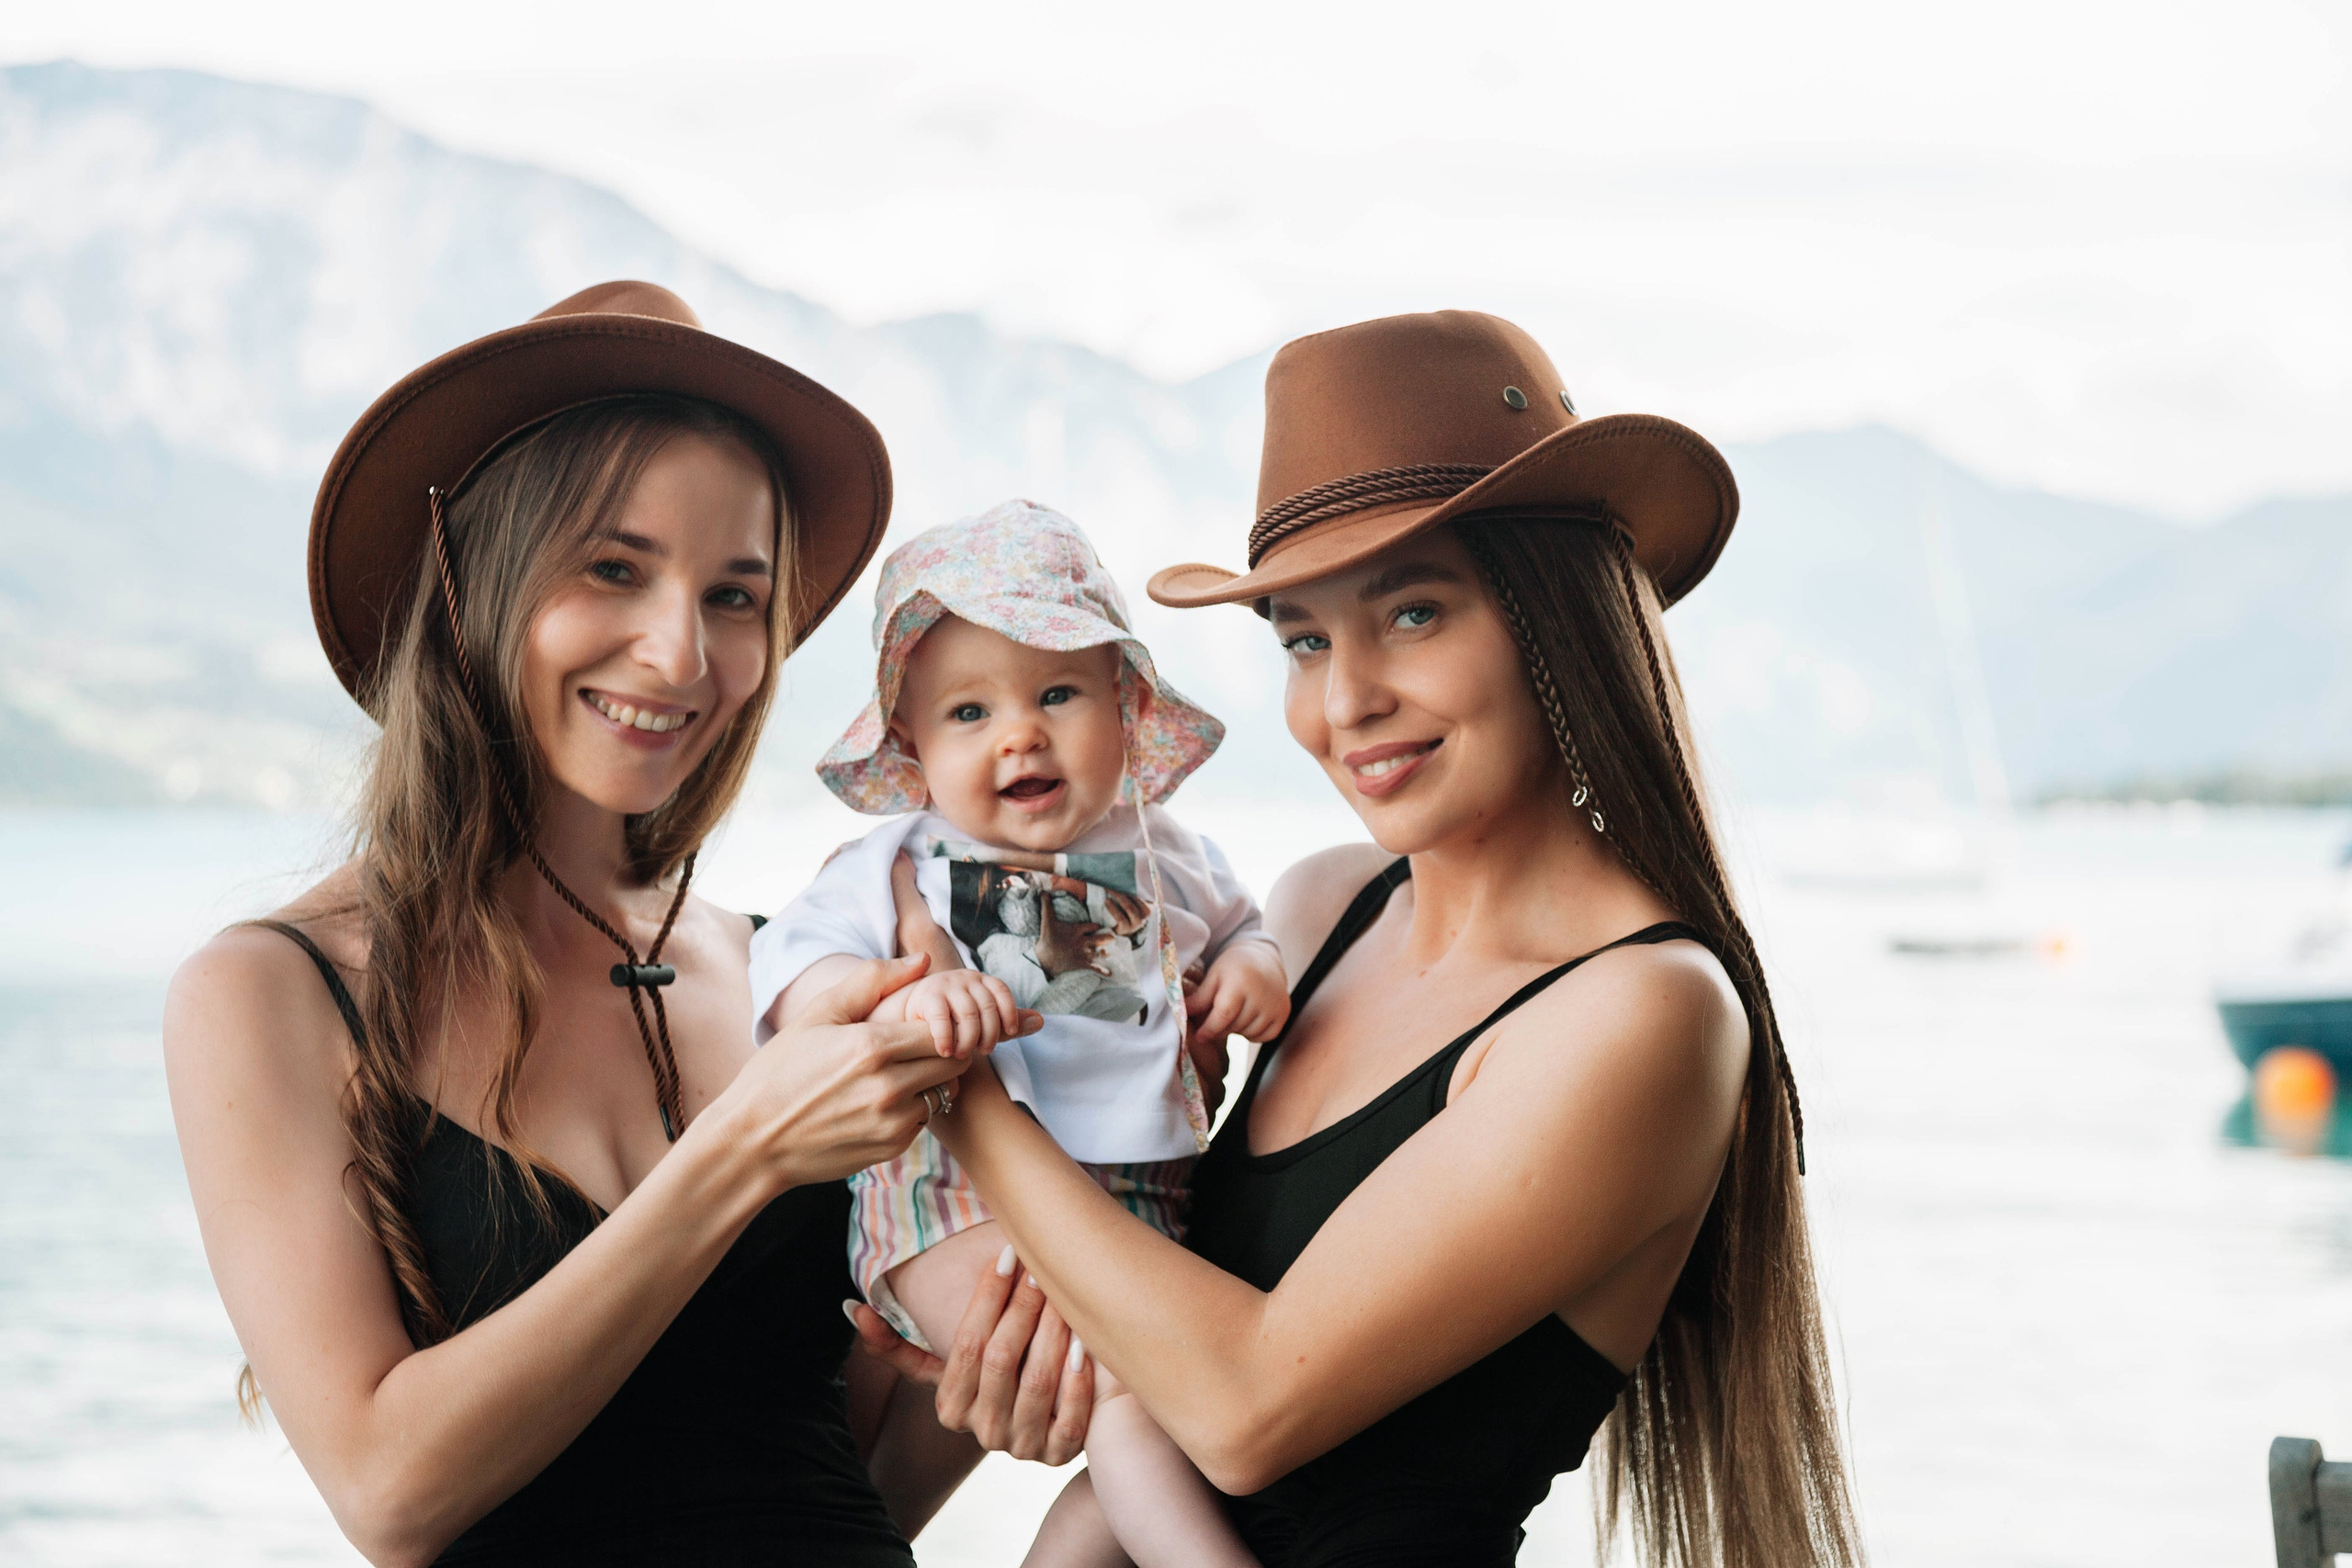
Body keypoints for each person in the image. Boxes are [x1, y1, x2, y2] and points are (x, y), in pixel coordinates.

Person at [864, 311, 1864, 1568]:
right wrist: (991, 1335)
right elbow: (1062, 1112)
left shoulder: (1649, 1011)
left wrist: (947, 1086)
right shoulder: (1321, 903)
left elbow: (1241, 1408)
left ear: (1558, 619)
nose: (1345, 703)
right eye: (1304, 639)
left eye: (1413, 613)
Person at [162, 282, 1014, 1567]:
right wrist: (745, 1148)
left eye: (736, 596)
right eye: (614, 568)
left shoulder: (791, 968)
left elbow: (829, 1481)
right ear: (473, 584)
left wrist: (996, 1369)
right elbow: (391, 1491)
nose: (680, 653)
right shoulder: (273, 991)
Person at [754, 500, 1291, 1567]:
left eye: (1056, 694)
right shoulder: (901, 864)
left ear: (1124, 705)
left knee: (1163, 1416)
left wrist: (1249, 976)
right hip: (951, 1216)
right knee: (1142, 1394)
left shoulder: (1166, 849)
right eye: (968, 713)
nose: (1019, 733)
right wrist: (891, 992)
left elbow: (1246, 927)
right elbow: (789, 980)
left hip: (1137, 1201)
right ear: (909, 740)